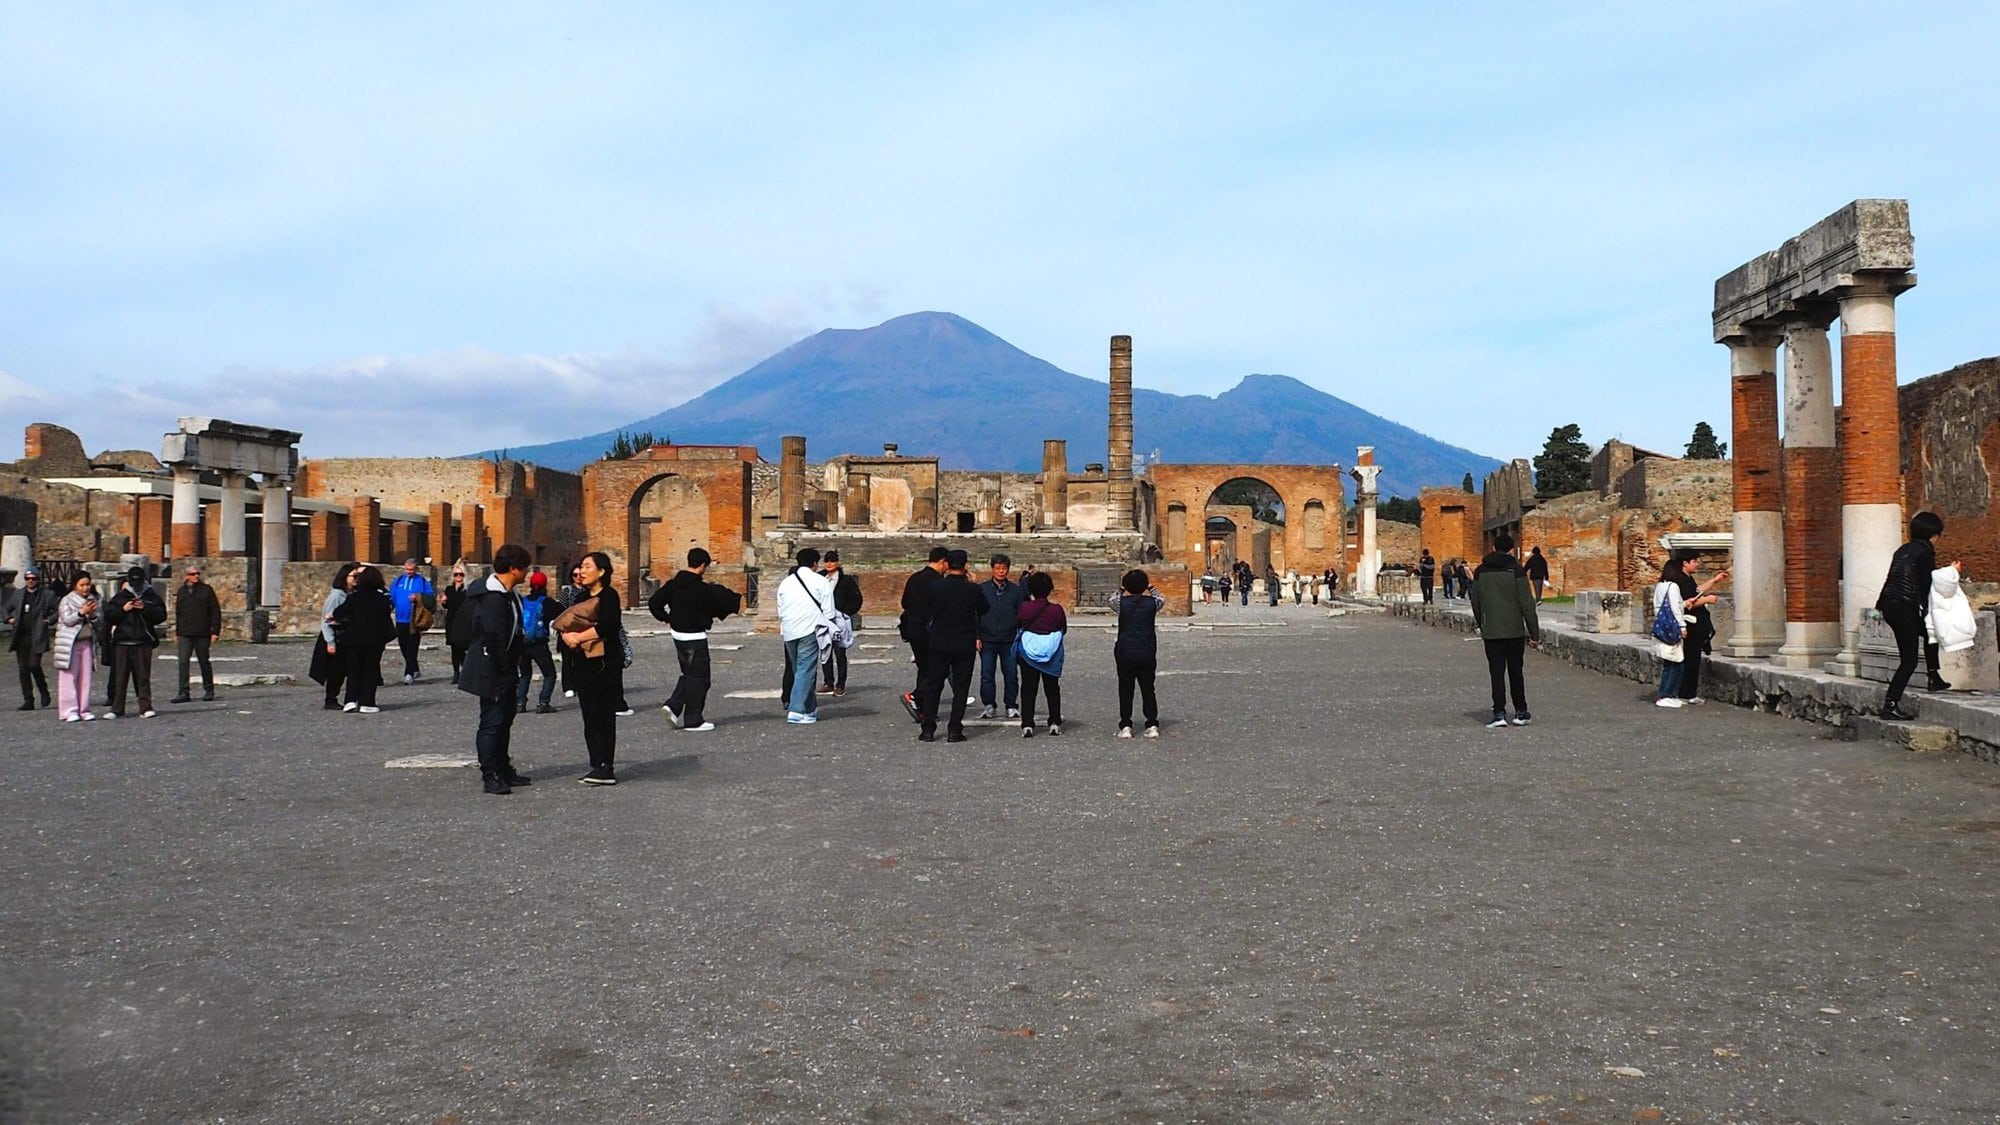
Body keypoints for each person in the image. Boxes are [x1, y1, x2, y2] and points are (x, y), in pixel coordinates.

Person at [461, 544, 535, 792]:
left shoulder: (509, 594)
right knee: (492, 722)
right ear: (514, 569)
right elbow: (495, 639)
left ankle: (503, 768)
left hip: (505, 668)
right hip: (491, 669)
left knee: (505, 720)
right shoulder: (493, 598)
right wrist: (505, 672)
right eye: (525, 568)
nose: (527, 573)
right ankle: (490, 774)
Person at [650, 547, 742, 733]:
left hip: (677, 634)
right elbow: (715, 605)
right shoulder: (701, 588)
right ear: (702, 565)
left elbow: (654, 602)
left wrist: (667, 618)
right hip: (695, 636)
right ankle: (693, 719)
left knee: (690, 673)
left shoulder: (674, 584)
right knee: (700, 677)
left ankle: (673, 707)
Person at [554, 551, 623, 785]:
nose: (582, 571)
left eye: (587, 567)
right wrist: (567, 637)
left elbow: (609, 626)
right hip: (581, 662)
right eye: (581, 567)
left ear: (601, 571)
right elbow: (565, 620)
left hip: (604, 664)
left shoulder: (610, 596)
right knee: (589, 715)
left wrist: (580, 637)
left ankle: (606, 766)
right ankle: (595, 764)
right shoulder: (579, 596)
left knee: (603, 715)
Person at [1877, 511, 1952, 721]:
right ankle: (1890, 704)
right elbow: (1927, 583)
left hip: (1891, 605)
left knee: (1930, 634)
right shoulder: (1925, 552)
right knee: (1908, 660)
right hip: (1904, 607)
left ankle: (1933, 676)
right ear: (1933, 534)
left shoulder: (1903, 550)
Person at [914, 550, 989, 743]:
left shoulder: (935, 586)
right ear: (965, 566)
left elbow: (927, 607)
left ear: (947, 564)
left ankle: (928, 729)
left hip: (939, 642)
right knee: (961, 687)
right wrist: (972, 584)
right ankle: (954, 730)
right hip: (964, 643)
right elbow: (984, 608)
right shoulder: (972, 589)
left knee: (934, 685)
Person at [1469, 534, 1539, 728]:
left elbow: (1476, 601)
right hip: (1514, 630)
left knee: (1496, 673)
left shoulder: (1480, 571)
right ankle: (1520, 712)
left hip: (1491, 630)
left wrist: (1482, 623)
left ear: (1493, 547)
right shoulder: (1516, 570)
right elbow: (1527, 604)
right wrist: (1534, 633)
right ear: (1511, 549)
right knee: (1516, 672)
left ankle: (1499, 713)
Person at [776, 547, 836, 724]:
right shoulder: (820, 581)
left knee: (800, 670)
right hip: (810, 628)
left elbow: (780, 608)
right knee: (805, 669)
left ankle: (809, 709)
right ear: (815, 563)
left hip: (789, 629)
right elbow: (829, 611)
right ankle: (796, 709)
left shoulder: (785, 583)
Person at [1666, 551, 1729, 706]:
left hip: (1695, 624)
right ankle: (1686, 693)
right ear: (1685, 563)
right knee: (1690, 660)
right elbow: (1688, 602)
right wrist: (1707, 599)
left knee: (1692, 659)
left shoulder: (1687, 578)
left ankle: (1686, 692)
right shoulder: (1679, 580)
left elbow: (1696, 591)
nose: (1698, 563)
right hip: (1690, 624)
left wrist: (1715, 580)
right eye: (1694, 561)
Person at [103, 566, 166, 719]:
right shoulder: (121, 596)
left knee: (143, 677)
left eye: (138, 582)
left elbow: (161, 615)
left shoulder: (151, 596)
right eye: (133, 582)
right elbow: (109, 616)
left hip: (143, 641)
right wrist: (124, 609)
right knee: (120, 677)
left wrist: (145, 608)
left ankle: (145, 707)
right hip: (123, 641)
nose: (136, 585)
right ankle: (117, 708)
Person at [332, 565, 395, 713]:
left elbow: (338, 613)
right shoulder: (382, 599)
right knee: (371, 670)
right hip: (375, 640)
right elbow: (386, 617)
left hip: (354, 639)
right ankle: (367, 702)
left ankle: (350, 700)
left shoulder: (353, 597)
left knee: (353, 670)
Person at [1110, 569, 1164, 738]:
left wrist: (1121, 587)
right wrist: (1150, 586)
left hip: (1125, 650)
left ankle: (1126, 725)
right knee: (1148, 688)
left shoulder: (1121, 603)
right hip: (1147, 649)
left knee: (1125, 688)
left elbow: (1111, 600)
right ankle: (1152, 723)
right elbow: (1161, 598)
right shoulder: (1152, 604)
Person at [897, 547, 949, 722]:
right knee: (936, 671)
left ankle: (924, 709)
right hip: (929, 632)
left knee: (924, 669)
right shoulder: (936, 581)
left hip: (912, 630)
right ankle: (916, 697)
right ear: (942, 561)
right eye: (946, 564)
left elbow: (905, 602)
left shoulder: (915, 577)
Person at [1015, 570, 1066, 738]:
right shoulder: (1056, 610)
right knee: (1052, 688)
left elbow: (1019, 624)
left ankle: (1028, 724)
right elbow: (1062, 628)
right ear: (1049, 589)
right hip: (1051, 652)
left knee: (1028, 688)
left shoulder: (1024, 608)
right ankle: (1054, 722)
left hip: (1029, 652)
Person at [976, 553, 1026, 720]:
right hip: (987, 638)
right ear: (992, 569)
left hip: (1009, 638)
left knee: (1011, 674)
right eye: (997, 568)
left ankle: (1011, 705)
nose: (1001, 571)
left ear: (1008, 570)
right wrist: (977, 636)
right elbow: (975, 615)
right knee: (987, 674)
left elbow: (1022, 615)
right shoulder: (982, 590)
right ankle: (989, 705)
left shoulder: (1016, 591)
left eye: (1003, 568)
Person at [169, 563, 222, 703]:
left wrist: (215, 631)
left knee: (204, 661)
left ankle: (209, 690)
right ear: (187, 576)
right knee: (183, 662)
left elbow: (215, 612)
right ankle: (183, 692)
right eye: (193, 574)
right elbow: (179, 613)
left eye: (197, 573)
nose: (196, 576)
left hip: (202, 632)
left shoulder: (206, 590)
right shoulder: (182, 591)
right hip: (185, 633)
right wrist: (177, 632)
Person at [309, 563, 358, 710]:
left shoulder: (351, 595)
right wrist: (330, 642)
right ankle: (331, 699)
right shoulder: (337, 595)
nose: (357, 579)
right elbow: (326, 620)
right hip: (334, 636)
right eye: (354, 576)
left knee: (343, 670)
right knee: (335, 670)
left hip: (344, 635)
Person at [8, 567, 56, 710]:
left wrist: (49, 620)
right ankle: (28, 699)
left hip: (38, 635)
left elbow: (59, 609)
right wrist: (9, 619)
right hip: (21, 635)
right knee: (23, 669)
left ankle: (43, 689)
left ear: (38, 580)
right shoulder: (18, 594)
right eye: (28, 579)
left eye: (33, 579)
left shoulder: (47, 595)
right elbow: (5, 608)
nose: (30, 581)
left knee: (33, 665)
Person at [54, 573, 100, 722]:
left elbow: (99, 621)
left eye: (88, 584)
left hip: (86, 641)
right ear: (75, 585)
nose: (86, 588)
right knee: (69, 677)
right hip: (70, 643)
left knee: (85, 678)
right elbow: (67, 620)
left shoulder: (92, 599)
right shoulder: (66, 600)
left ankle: (84, 709)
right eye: (82, 585)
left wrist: (93, 615)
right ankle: (69, 710)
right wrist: (81, 612)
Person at [1650, 558, 1694, 710]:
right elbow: (1675, 608)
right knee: (1675, 663)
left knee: (1669, 663)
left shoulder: (1660, 586)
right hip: (1672, 626)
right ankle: (1666, 694)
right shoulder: (1673, 586)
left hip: (1661, 625)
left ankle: (1667, 694)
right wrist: (1682, 626)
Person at [819, 550, 862, 697]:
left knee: (840, 653)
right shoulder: (819, 578)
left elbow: (857, 599)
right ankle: (828, 682)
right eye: (827, 560)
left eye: (832, 560)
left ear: (837, 562)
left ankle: (840, 684)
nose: (829, 563)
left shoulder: (846, 580)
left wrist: (845, 613)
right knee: (825, 651)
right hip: (823, 619)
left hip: (839, 620)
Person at [516, 571, 559, 714]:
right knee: (549, 674)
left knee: (525, 674)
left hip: (522, 643)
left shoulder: (523, 601)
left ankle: (520, 703)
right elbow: (561, 615)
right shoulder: (547, 602)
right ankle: (543, 702)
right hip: (539, 643)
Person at [388, 558, 434, 684]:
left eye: (411, 570)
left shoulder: (422, 581)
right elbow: (391, 597)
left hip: (414, 620)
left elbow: (430, 598)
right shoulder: (398, 581)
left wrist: (418, 598)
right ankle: (414, 668)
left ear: (416, 569)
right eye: (407, 569)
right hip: (400, 619)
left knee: (412, 646)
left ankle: (408, 673)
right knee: (403, 646)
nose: (409, 572)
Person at [438, 564, 470, 685]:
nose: (458, 577)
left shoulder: (467, 590)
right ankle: (456, 673)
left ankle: (466, 670)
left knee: (461, 646)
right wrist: (443, 602)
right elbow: (448, 606)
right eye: (456, 574)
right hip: (451, 620)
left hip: (463, 621)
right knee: (454, 648)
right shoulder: (449, 589)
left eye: (460, 574)